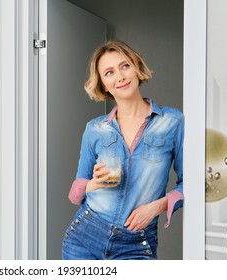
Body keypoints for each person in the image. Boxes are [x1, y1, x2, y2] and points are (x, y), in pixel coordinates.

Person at [62, 40, 184, 260]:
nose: (120, 76)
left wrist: (157, 207)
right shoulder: (95, 129)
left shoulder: (173, 121)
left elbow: (191, 184)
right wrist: (93, 183)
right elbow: (76, 192)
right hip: (84, 238)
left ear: (136, 67)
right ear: (103, 84)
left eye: (125, 66)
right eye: (109, 72)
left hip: (136, 243)